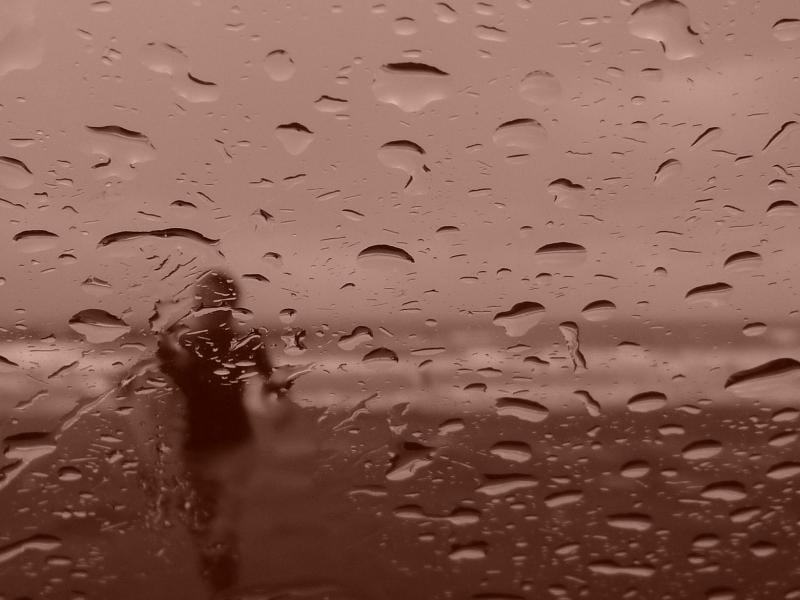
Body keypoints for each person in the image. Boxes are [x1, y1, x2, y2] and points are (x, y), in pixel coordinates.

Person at [155, 270, 276, 594]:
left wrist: (279, 405)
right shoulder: (188, 343)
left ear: (231, 304)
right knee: (205, 522)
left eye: (212, 299)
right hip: (198, 448)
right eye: (202, 299)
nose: (204, 305)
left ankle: (222, 579)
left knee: (222, 522)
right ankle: (218, 574)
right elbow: (176, 389)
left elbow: (269, 385)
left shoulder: (247, 342)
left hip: (236, 445)